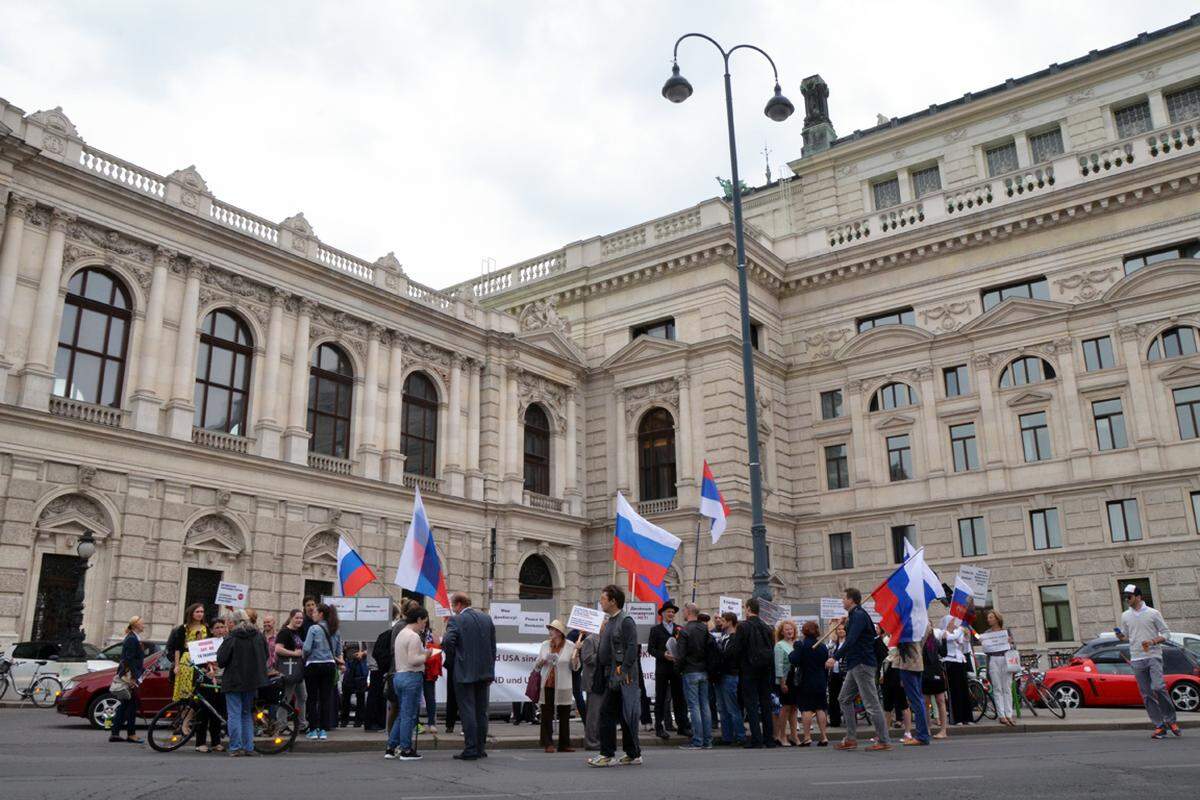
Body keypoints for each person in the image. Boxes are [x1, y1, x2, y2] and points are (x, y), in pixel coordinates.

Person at [587, 584, 642, 768]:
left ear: (613, 601)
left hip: (621, 677)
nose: (600, 602)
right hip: (610, 675)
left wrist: (623, 672)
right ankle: (633, 754)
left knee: (607, 714)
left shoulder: (626, 621)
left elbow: (632, 648)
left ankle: (607, 754)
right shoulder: (610, 621)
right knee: (624, 716)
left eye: (603, 599)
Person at [1117, 584, 1180, 738]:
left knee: (1158, 687)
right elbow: (1125, 635)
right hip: (1137, 658)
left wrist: (1153, 641)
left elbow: (1167, 634)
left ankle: (1171, 720)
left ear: (1138, 597)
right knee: (1146, 694)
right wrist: (1120, 636)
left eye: (1129, 596)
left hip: (1153, 655)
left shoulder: (1153, 613)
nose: (1127, 599)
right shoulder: (1125, 615)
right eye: (1125, 597)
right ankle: (1159, 726)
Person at [441, 592, 497, 761]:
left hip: (464, 671)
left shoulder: (456, 620)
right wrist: (489, 668)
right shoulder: (486, 619)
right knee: (481, 711)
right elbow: (493, 647)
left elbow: (447, 642)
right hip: (484, 672)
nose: (453, 610)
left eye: (453, 606)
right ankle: (480, 748)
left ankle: (471, 748)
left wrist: (453, 660)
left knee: (468, 711)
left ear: (458, 604)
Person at [834, 588, 890, 751]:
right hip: (855, 664)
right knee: (844, 698)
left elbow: (851, 640)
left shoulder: (858, 615)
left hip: (862, 664)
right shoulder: (855, 616)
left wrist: (835, 657)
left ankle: (884, 740)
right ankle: (851, 738)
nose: (842, 601)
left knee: (871, 703)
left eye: (844, 598)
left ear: (851, 600)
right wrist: (848, 622)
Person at [216, 609, 269, 757]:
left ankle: (235, 747)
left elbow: (221, 660)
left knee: (234, 714)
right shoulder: (259, 636)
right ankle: (249, 747)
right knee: (246, 713)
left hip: (233, 681)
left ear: (233, 622)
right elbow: (266, 655)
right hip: (252, 681)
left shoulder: (232, 637)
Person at [385, 606, 430, 760]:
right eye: (424, 621)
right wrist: (426, 656)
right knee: (408, 715)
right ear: (418, 620)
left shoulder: (401, 634)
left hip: (398, 675)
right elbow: (413, 660)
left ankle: (391, 747)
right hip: (411, 676)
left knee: (402, 714)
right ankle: (405, 749)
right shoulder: (414, 636)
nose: (424, 625)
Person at [733, 598, 776, 749]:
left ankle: (757, 739)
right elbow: (772, 647)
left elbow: (736, 649)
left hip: (749, 670)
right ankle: (769, 739)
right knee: (766, 704)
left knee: (751, 704)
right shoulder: (767, 627)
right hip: (765, 670)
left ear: (749, 609)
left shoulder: (743, 626)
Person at [648, 599, 689, 740]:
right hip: (662, 669)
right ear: (663, 614)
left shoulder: (679, 629)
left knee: (679, 698)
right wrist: (663, 655)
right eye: (668, 611)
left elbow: (683, 647)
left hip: (676, 669)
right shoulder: (655, 630)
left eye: (673, 612)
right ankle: (659, 727)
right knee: (661, 698)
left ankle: (682, 726)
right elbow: (650, 649)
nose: (671, 614)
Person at [302, 602, 343, 741]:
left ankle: (313, 730)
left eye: (314, 612)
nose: (312, 614)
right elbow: (338, 651)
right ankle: (323, 730)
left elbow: (306, 648)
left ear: (320, 614)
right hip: (330, 666)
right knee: (325, 699)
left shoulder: (313, 628)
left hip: (314, 665)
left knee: (312, 699)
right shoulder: (335, 629)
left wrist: (304, 657)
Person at [536, 619, 578, 753]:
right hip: (548, 682)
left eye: (552, 629)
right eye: (550, 629)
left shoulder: (571, 645)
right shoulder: (545, 644)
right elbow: (536, 666)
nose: (550, 632)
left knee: (564, 713)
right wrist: (543, 661)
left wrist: (575, 658)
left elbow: (575, 667)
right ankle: (547, 743)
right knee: (546, 713)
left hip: (564, 683)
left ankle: (564, 744)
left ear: (559, 632)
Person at [677, 602, 713, 751]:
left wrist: (677, 668)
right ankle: (707, 740)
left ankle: (697, 740)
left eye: (684, 611)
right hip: (704, 670)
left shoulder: (685, 630)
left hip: (690, 671)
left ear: (688, 611)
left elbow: (681, 654)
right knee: (705, 705)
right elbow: (710, 649)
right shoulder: (705, 628)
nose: (683, 613)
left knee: (694, 707)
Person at [790, 620, 829, 746]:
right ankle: (824, 736)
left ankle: (807, 737)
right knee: (820, 708)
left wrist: (793, 650)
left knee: (806, 709)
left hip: (806, 680)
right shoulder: (822, 646)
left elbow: (794, 659)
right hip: (820, 680)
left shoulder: (801, 645)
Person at [110, 616, 145, 744]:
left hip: (130, 674)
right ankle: (131, 734)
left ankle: (115, 733)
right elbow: (128, 659)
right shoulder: (132, 639)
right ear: (135, 625)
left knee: (125, 705)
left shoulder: (134, 637)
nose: (143, 625)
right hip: (130, 676)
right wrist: (134, 677)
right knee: (131, 706)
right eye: (141, 624)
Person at [712, 612, 745, 746]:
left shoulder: (735, 637)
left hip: (730, 675)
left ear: (730, 622)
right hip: (720, 675)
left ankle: (740, 736)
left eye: (723, 620)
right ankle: (727, 736)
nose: (720, 622)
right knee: (722, 708)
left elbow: (730, 655)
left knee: (732, 708)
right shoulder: (723, 636)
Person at [275, 609, 307, 731]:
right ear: (291, 618)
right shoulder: (285, 632)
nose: (299, 620)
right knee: (286, 698)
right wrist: (294, 654)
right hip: (288, 670)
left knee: (302, 696)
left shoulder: (299, 632)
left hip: (298, 670)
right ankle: (281, 724)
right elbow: (278, 649)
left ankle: (301, 724)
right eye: (297, 618)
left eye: (301, 618)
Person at [981, 611, 1015, 726]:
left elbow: (1013, 647)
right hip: (993, 659)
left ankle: (1009, 714)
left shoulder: (1006, 631)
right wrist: (984, 644)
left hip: (1006, 659)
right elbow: (986, 650)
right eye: (988, 618)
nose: (988, 620)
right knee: (997, 688)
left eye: (991, 617)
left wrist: (1011, 643)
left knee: (1007, 688)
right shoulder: (987, 633)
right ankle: (1001, 715)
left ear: (997, 619)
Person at [170, 603, 208, 702]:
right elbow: (177, 648)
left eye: (202, 612)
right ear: (191, 613)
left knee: (196, 693)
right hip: (186, 660)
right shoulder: (184, 628)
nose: (200, 614)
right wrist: (176, 665)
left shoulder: (206, 628)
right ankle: (184, 715)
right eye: (197, 612)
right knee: (185, 693)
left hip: (201, 659)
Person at [939, 614, 972, 726]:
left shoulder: (957, 633)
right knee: (954, 691)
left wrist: (967, 637)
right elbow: (950, 638)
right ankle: (957, 718)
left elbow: (964, 647)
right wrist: (961, 630)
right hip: (949, 663)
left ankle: (967, 717)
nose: (955, 623)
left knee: (963, 690)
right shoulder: (944, 633)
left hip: (960, 662)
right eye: (952, 621)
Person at [896, 639, 930, 746]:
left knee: (916, 700)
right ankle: (923, 734)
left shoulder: (908, 628)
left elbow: (902, 646)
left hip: (908, 665)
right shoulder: (921, 624)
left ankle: (922, 735)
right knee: (918, 700)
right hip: (917, 663)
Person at [574, 629, 603, 750]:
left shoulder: (606, 639)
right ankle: (591, 742)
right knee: (593, 714)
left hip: (602, 681)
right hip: (592, 681)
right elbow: (587, 658)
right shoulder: (590, 639)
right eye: (605, 624)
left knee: (601, 713)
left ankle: (600, 740)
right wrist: (603, 654)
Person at [773, 620, 800, 746]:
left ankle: (794, 735)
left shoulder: (797, 644)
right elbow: (778, 666)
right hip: (785, 679)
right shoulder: (779, 645)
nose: (789, 631)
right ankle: (782, 735)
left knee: (794, 708)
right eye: (786, 629)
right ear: (782, 632)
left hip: (797, 679)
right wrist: (782, 682)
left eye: (791, 629)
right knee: (785, 708)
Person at [880, 642, 911, 741]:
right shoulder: (887, 639)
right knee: (887, 706)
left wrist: (904, 678)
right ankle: (885, 734)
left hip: (898, 670)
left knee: (903, 704)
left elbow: (905, 658)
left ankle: (908, 732)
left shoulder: (902, 640)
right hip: (888, 670)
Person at [922, 626, 949, 739]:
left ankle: (943, 730)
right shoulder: (920, 641)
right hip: (925, 673)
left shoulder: (935, 641)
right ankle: (927, 728)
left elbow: (943, 653)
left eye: (929, 626)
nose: (927, 628)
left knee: (940, 700)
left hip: (936, 672)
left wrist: (944, 640)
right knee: (926, 702)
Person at [339, 643, 369, 727]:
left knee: (360, 695)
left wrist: (362, 653)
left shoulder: (365, 637)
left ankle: (359, 720)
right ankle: (344, 719)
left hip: (360, 664)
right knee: (346, 693)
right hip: (348, 664)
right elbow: (340, 649)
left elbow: (370, 649)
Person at [420, 624, 442, 735]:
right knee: (415, 698)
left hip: (428, 670)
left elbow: (438, 648)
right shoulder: (412, 632)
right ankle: (416, 723)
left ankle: (431, 722)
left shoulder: (431, 633)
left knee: (430, 697)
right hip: (417, 668)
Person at [826, 624, 845, 728]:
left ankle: (847, 719)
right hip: (834, 673)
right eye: (839, 629)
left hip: (844, 674)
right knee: (833, 697)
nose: (841, 631)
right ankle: (835, 720)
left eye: (843, 629)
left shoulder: (848, 643)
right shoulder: (833, 644)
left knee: (844, 697)